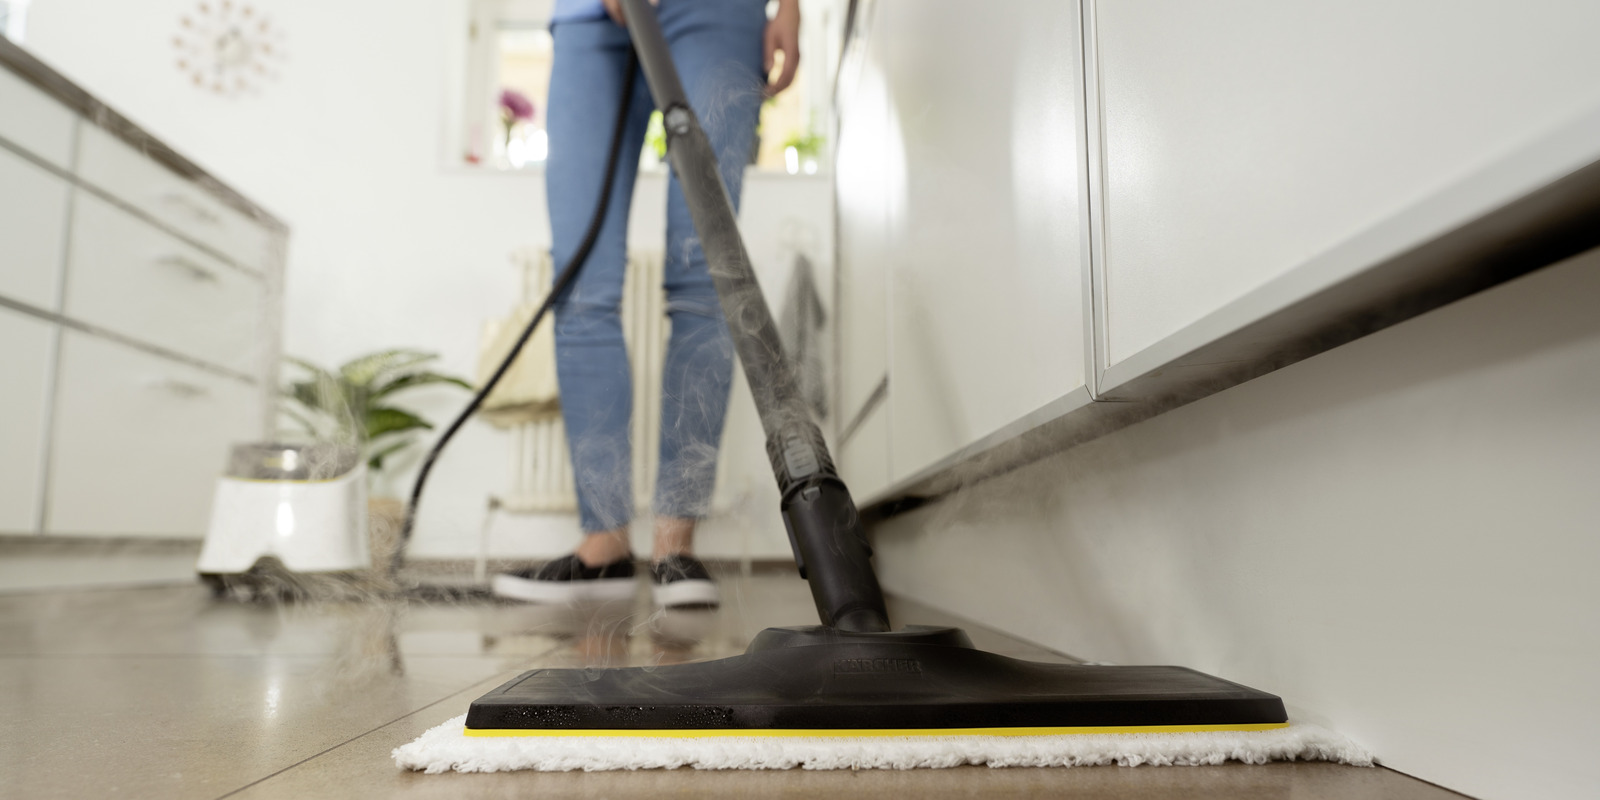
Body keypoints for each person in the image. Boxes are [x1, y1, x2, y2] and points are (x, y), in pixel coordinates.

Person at [492, 0, 800, 608]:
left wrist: (790, 5)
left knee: (704, 280)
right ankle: (602, 546)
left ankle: (674, 545)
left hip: (719, 12)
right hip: (591, 18)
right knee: (582, 289)